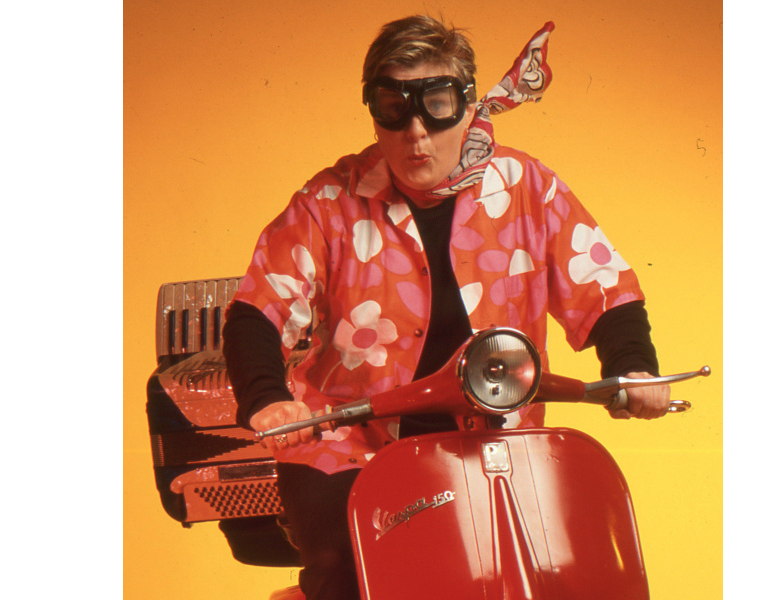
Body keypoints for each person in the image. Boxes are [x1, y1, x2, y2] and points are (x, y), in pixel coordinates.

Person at [222, 15, 670, 600]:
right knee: (345, 565)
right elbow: (259, 308)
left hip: (499, 445)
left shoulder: (527, 187)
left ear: (467, 106)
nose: (416, 134)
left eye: (435, 106)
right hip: (351, 445)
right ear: (374, 113)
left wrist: (633, 366)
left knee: (563, 569)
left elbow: (602, 284)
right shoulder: (327, 203)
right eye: (394, 109)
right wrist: (266, 398)